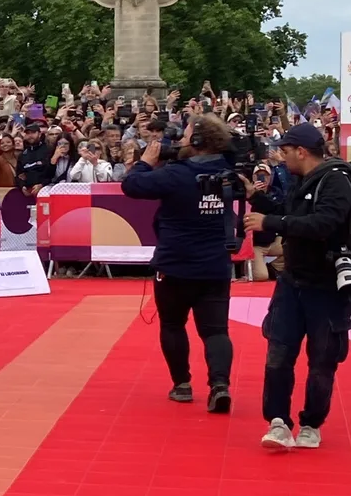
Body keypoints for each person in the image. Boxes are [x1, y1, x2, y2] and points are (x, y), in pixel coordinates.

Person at [242, 123, 351, 450]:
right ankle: (277, 422)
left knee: (322, 362)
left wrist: (269, 223)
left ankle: (311, 424)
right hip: (292, 283)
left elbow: (323, 224)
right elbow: (292, 215)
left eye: (285, 151)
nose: (280, 156)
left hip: (326, 288)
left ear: (301, 151)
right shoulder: (303, 181)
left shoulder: (337, 181)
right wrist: (258, 199)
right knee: (278, 354)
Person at [121, 114, 236, 413]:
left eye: (184, 137)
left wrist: (146, 160)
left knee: (172, 324)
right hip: (215, 264)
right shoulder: (229, 173)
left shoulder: (175, 175)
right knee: (216, 330)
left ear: (197, 142)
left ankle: (182, 384)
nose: (178, 142)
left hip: (175, 264)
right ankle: (220, 385)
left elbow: (132, 186)